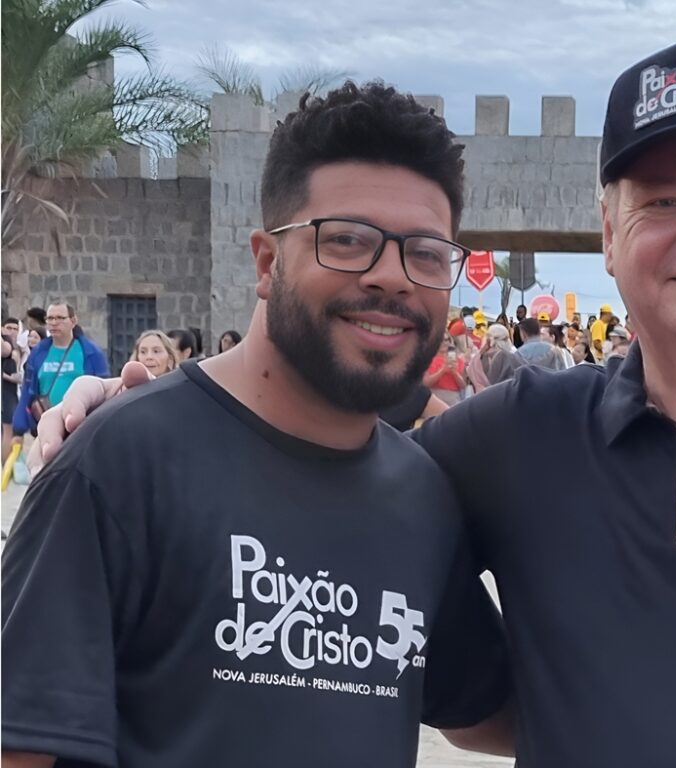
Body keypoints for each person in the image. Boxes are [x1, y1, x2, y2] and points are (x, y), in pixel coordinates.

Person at [26, 40, 676, 767]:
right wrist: (135, 406)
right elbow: (314, 439)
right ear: (608, 227)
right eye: (664, 201)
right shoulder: (506, 439)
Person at [3, 82, 512, 767]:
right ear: (267, 262)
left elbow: (490, 713)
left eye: (425, 252)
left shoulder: (423, 497)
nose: (392, 277)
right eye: (348, 240)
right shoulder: (119, 463)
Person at [12, 301, 109, 438]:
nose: (54, 322)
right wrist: (18, 430)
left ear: (73, 321)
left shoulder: (91, 353)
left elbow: (103, 390)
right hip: (47, 426)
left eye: (60, 318)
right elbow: (28, 390)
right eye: (50, 318)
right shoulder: (39, 352)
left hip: (81, 427)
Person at [466, 324, 525, 391]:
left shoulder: (479, 358)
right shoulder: (512, 356)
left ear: (488, 339)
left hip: (482, 398)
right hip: (507, 397)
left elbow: (469, 375)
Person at [423, 335, 467, 406]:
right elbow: (426, 383)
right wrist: (442, 370)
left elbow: (463, 385)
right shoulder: (427, 360)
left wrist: (454, 373)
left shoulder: (459, 360)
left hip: (453, 397)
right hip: (434, 396)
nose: (444, 342)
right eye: (441, 340)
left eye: (446, 340)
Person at [2, 334, 22, 463]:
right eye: (9, 328)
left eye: (15, 329)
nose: (12, 331)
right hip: (8, 396)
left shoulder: (15, 354)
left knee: (9, 431)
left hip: (11, 396)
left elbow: (19, 377)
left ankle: (6, 465)